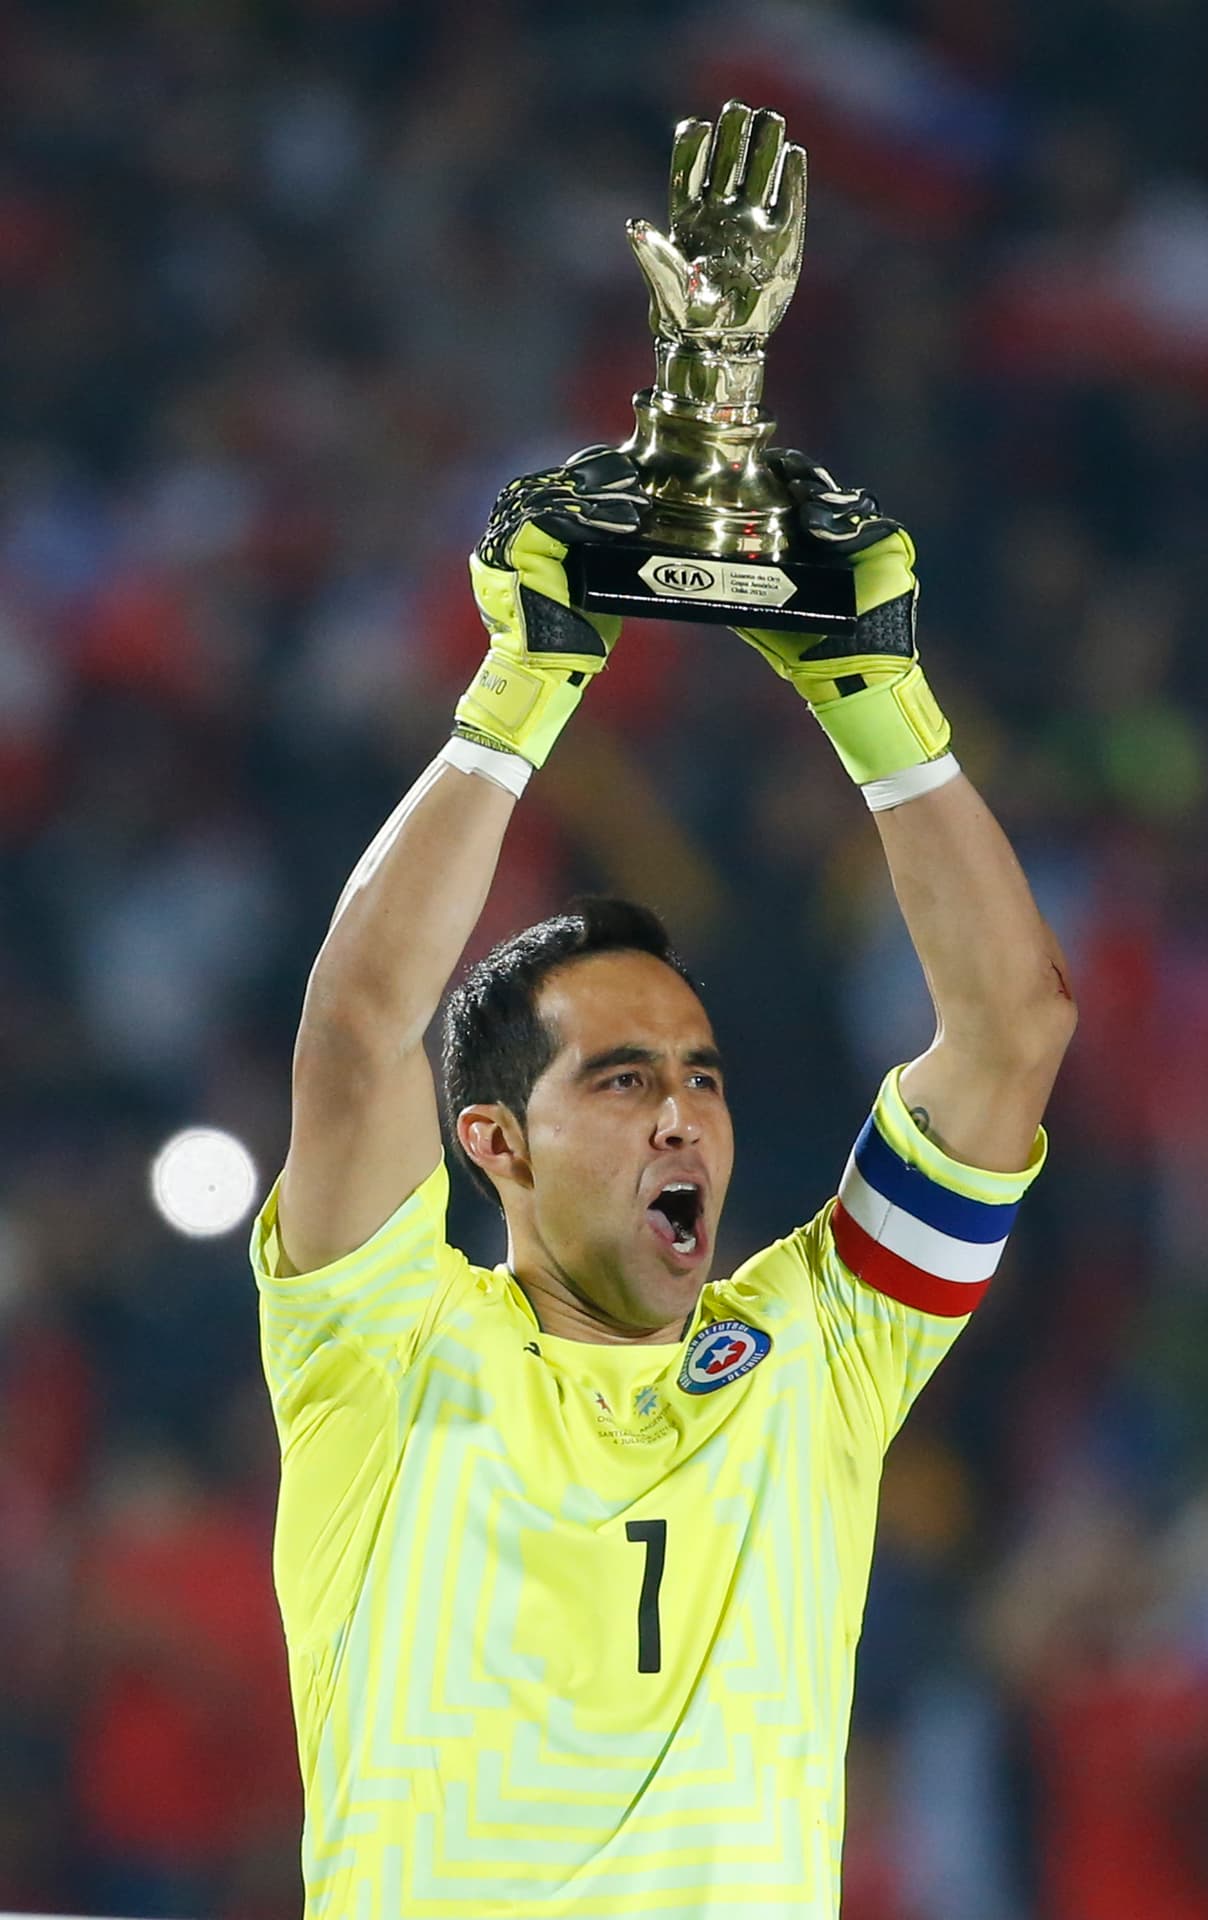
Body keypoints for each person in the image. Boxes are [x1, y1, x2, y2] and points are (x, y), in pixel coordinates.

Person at [248, 442, 1077, 1918]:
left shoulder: (822, 1356)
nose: (684, 1114)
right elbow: (363, 1031)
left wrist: (875, 697)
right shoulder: (385, 1354)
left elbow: (1013, 1033)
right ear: (492, 1141)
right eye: (622, 1079)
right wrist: (525, 689)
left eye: (701, 1074)